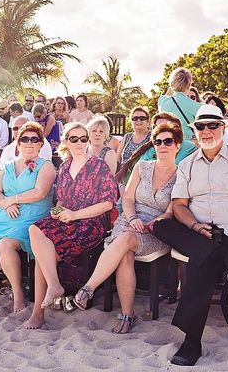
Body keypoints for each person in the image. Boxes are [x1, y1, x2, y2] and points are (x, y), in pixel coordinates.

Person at [151, 104, 228, 366]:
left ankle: (191, 341)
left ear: (223, 127)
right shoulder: (187, 164)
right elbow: (180, 205)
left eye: (213, 125)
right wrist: (195, 226)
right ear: (195, 131)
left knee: (201, 263)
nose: (206, 131)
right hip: (200, 232)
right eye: (201, 126)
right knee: (160, 225)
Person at [73, 123, 182, 333]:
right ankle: (127, 314)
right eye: (158, 141)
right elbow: (128, 198)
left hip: (157, 228)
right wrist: (131, 218)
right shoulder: (143, 167)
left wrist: (150, 224)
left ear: (177, 145)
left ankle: (88, 288)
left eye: (168, 141)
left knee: (125, 241)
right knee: (124, 253)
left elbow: (170, 212)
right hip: (129, 220)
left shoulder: (182, 175)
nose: (162, 146)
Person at [23, 123, 117, 329]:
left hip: (91, 223)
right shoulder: (64, 168)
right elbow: (62, 201)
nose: (80, 143)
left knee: (42, 256)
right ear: (66, 142)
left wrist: (75, 215)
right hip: (68, 220)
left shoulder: (99, 166)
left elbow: (108, 203)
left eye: (84, 139)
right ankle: (54, 287)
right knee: (35, 230)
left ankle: (38, 313)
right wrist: (59, 212)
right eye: (74, 139)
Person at [0, 122, 55, 312]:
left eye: (34, 139)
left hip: (32, 215)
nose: (29, 143)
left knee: (6, 244)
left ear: (40, 144)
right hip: (5, 213)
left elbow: (40, 192)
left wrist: (13, 199)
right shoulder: (8, 166)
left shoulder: (46, 166)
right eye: (24, 139)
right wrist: (5, 203)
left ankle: (18, 293)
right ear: (18, 143)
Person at [157, 67, 201, 141]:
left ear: (172, 83)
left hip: (167, 143)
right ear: (189, 84)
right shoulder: (196, 106)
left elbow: (169, 92)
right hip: (188, 145)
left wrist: (175, 83)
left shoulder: (162, 101)